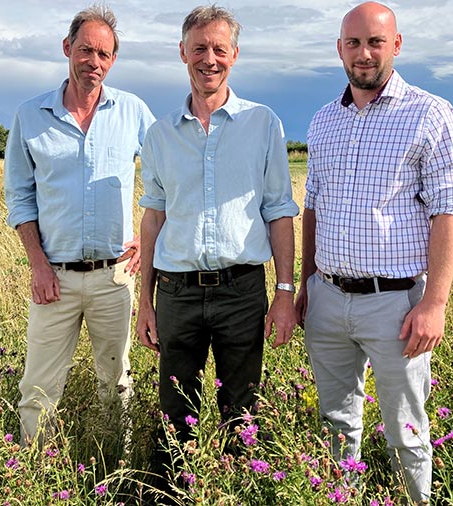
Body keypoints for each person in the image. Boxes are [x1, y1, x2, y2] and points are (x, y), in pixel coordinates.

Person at [293, 2, 453, 504]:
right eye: (353, 43)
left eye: (375, 41)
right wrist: (306, 285)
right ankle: (341, 497)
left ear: (396, 44)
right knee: (336, 423)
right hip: (326, 299)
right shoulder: (325, 120)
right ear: (339, 49)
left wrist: (433, 304)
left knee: (406, 429)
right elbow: (314, 212)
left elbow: (448, 212)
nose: (363, 53)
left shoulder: (430, 113)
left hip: (397, 305)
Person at [135, 3, 300, 478]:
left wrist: (284, 294)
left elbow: (279, 213)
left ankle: (238, 488)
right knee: (173, 412)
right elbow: (154, 219)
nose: (210, 58)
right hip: (177, 294)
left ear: (235, 55)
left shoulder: (263, 123)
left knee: (242, 413)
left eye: (219, 49)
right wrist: (144, 302)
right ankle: (172, 490)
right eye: (199, 48)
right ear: (182, 52)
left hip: (241, 291)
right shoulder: (161, 134)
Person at [3, 4, 156, 449]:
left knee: (118, 383)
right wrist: (37, 265)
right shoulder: (30, 115)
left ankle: (118, 467)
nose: (94, 62)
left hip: (115, 276)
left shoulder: (132, 111)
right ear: (67, 48)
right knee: (38, 388)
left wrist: (149, 241)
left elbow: (169, 175)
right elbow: (19, 196)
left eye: (104, 54)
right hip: (54, 277)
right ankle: (34, 473)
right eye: (86, 50)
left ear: (113, 60)